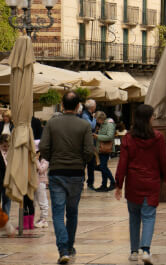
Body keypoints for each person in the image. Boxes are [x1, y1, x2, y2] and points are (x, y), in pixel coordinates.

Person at [39, 91, 95, 264]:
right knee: (72, 212)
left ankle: (63, 249)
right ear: (78, 106)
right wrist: (80, 161)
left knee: (57, 212)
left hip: (57, 172)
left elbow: (44, 148)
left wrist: (54, 158)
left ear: (62, 105)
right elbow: (89, 152)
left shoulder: (52, 124)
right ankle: (69, 247)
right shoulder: (85, 125)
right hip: (76, 173)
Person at [115, 104, 166, 265]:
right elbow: (162, 160)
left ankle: (133, 251)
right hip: (151, 182)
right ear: (148, 118)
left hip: (134, 182)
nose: (153, 118)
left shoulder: (128, 138)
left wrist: (119, 185)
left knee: (134, 218)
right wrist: (165, 178)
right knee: (149, 216)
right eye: (152, 116)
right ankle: (146, 250)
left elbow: (122, 163)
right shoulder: (158, 137)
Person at [93, 111, 116, 192]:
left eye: (97, 119)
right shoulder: (103, 124)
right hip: (101, 148)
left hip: (105, 148)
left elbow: (109, 136)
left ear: (100, 118)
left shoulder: (109, 124)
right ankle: (104, 185)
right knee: (103, 166)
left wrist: (98, 136)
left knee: (103, 167)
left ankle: (113, 182)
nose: (96, 121)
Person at [81, 100, 97, 190]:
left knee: (91, 164)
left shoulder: (87, 114)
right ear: (92, 107)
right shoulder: (85, 115)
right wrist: (94, 118)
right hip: (86, 143)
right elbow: (91, 126)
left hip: (89, 143)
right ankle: (84, 182)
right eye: (95, 106)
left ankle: (90, 183)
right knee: (85, 163)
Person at [34, 141, 50, 228]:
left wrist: (36, 160)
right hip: (32, 182)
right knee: (33, 201)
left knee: (42, 201)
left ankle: (44, 219)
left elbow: (41, 170)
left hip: (40, 182)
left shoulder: (45, 160)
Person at [0, 134, 10, 215]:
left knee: (7, 200)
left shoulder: (11, 154)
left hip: (8, 180)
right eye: (4, 146)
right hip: (0, 178)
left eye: (8, 146)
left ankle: (6, 218)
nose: (6, 148)